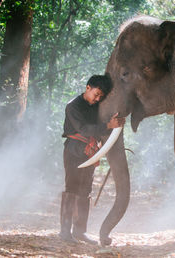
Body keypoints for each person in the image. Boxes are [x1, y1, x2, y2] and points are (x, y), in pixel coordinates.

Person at [60, 74, 125, 244]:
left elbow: (100, 124)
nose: (97, 99)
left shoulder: (97, 105)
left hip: (90, 150)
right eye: (96, 94)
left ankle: (80, 232)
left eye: (100, 97)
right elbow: (83, 129)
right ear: (88, 87)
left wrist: (113, 123)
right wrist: (108, 126)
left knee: (86, 189)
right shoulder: (73, 106)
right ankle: (65, 232)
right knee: (72, 188)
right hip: (74, 149)